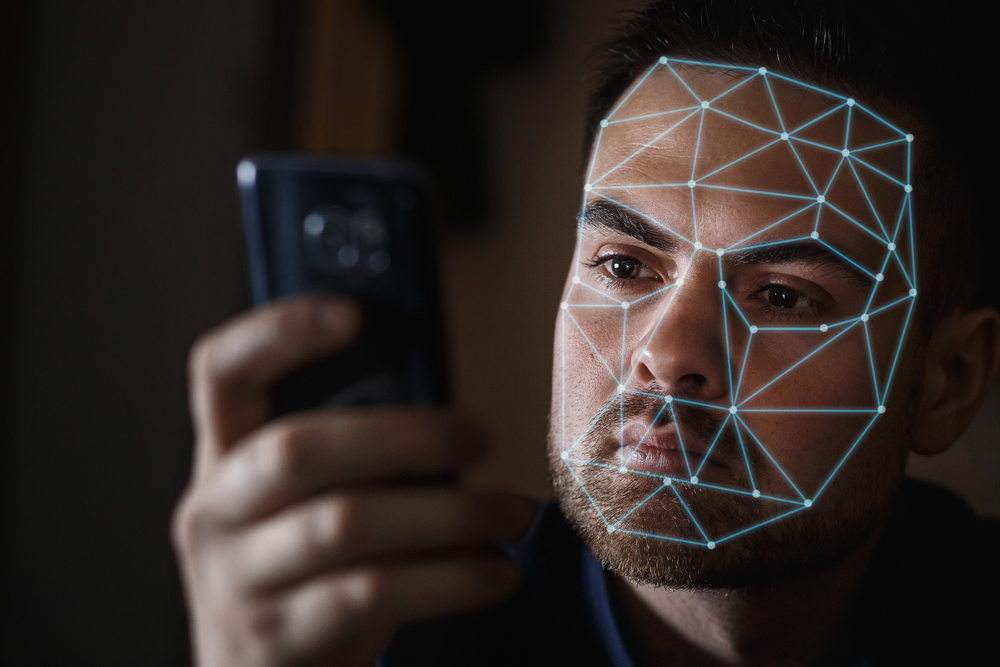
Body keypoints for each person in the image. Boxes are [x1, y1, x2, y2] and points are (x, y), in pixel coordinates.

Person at [172, 1, 1000, 665]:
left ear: (951, 379)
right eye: (624, 266)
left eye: (784, 295)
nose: (668, 356)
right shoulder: (375, 638)